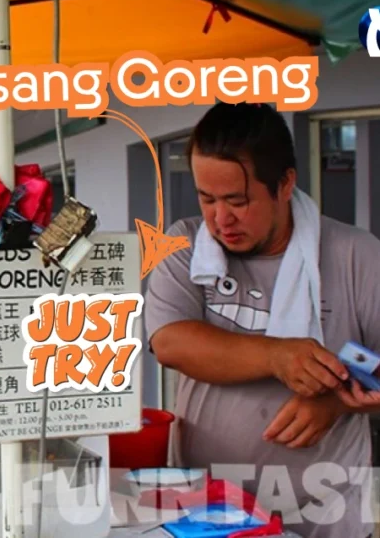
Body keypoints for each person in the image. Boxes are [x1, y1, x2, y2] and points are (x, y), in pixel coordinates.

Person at [144, 102, 380, 538]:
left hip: (326, 517)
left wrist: (336, 402)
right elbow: (171, 342)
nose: (220, 219)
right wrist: (277, 356)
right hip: (206, 516)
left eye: (238, 200)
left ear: (285, 183)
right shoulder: (184, 244)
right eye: (207, 198)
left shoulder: (355, 255)